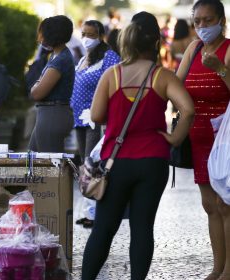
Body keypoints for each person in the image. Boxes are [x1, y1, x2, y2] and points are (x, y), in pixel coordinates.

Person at [82, 11, 194, 279]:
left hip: (116, 162)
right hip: (153, 161)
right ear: (156, 42)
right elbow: (188, 110)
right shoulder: (162, 76)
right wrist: (175, 139)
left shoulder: (113, 75)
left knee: (104, 228)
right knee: (142, 227)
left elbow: (97, 116)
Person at [177, 1, 230, 279]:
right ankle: (217, 267)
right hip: (198, 136)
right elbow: (176, 84)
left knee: (226, 205)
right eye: (197, 21)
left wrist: (221, 69)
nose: (202, 27)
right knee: (210, 205)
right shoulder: (193, 48)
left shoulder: (229, 49)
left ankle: (229, 271)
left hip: (225, 138)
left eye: (208, 21)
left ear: (222, 20)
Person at [71, 20, 120, 228]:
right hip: (79, 119)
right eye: (84, 33)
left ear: (100, 35)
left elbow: (116, 83)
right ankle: (87, 209)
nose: (86, 38)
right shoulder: (85, 58)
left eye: (91, 34)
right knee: (85, 164)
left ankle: (95, 211)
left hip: (96, 119)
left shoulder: (109, 57)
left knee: (94, 163)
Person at [29, 15, 75, 153]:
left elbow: (37, 93)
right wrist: (38, 83)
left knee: (49, 167)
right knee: (34, 160)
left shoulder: (60, 60)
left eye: (42, 34)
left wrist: (36, 84)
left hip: (52, 115)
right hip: (49, 113)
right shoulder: (56, 55)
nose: (40, 38)